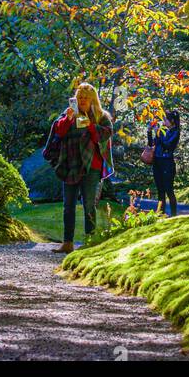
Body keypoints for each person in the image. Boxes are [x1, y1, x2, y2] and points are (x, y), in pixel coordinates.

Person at [50, 82, 114, 253]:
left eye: (86, 98)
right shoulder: (69, 113)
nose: (82, 100)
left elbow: (107, 133)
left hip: (91, 166)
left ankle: (90, 241)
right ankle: (68, 242)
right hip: (70, 164)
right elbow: (59, 132)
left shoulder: (101, 116)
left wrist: (91, 126)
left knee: (89, 204)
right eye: (79, 97)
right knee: (68, 205)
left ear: (93, 99)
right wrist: (68, 119)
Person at [147, 110, 180, 217]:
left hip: (167, 163)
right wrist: (149, 132)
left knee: (169, 190)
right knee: (160, 190)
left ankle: (174, 215)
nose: (164, 121)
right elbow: (151, 144)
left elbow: (167, 145)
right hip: (157, 162)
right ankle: (161, 214)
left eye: (166, 119)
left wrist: (159, 134)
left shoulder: (176, 132)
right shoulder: (162, 130)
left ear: (172, 121)